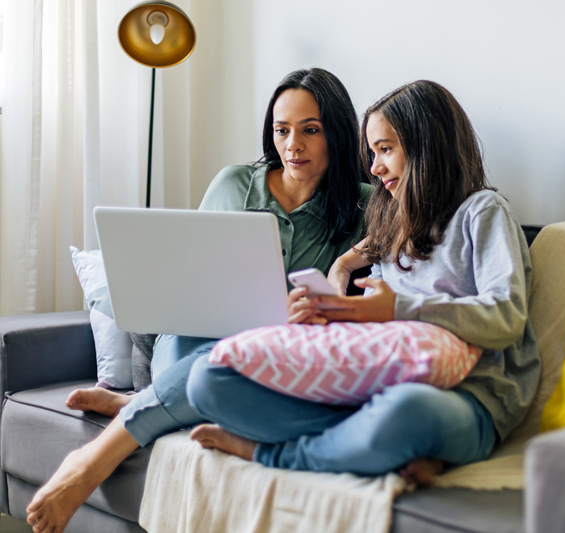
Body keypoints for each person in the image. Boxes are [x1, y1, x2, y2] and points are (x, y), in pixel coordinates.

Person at [26, 67, 372, 533]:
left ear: (338, 134)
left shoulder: (366, 208)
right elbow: (189, 270)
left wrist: (340, 272)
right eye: (282, 130)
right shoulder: (233, 184)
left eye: (311, 130)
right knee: (204, 363)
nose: (294, 145)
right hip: (192, 338)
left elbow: (389, 273)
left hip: (271, 359)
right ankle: (140, 407)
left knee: (222, 370)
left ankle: (107, 441)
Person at [185, 80, 541, 486]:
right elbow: (376, 340)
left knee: (407, 412)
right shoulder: (391, 224)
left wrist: (398, 309)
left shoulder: (483, 212)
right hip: (376, 389)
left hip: (467, 398)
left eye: (385, 150)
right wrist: (327, 312)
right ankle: (380, 447)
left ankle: (274, 452)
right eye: (372, 154)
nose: (374, 168)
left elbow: (507, 317)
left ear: (427, 145)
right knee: (209, 379)